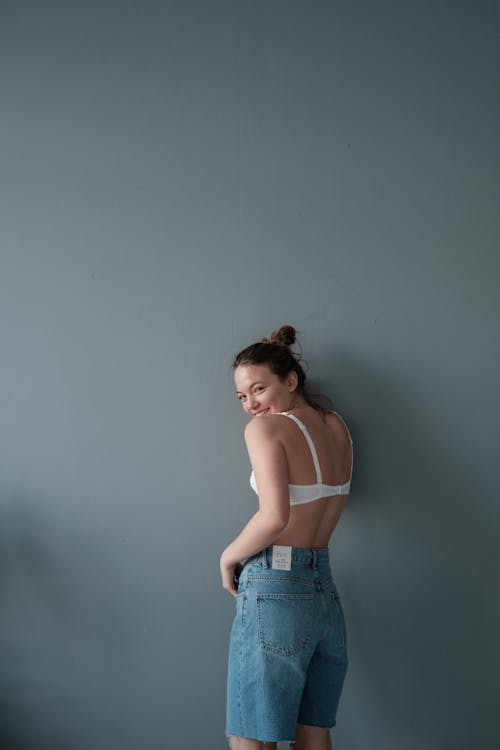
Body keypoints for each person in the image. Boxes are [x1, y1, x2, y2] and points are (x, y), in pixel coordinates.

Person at [220, 325, 354, 750]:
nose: (251, 405)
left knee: (250, 735)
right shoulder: (336, 428)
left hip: (276, 587)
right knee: (313, 731)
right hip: (323, 591)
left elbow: (275, 516)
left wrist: (227, 558)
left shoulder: (266, 430)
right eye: (242, 396)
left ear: (290, 381)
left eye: (259, 389)